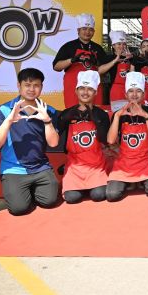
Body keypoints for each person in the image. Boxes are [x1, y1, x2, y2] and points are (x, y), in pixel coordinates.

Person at [0, 68, 60, 215]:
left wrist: (47, 121)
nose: (31, 89)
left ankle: (32, 190)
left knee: (49, 201)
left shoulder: (48, 110)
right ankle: (23, 192)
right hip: (13, 169)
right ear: (19, 85)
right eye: (27, 85)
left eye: (36, 85)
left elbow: (54, 143)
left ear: (41, 87)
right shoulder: (5, 109)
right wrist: (9, 120)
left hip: (41, 167)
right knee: (19, 209)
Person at [106, 72, 148, 201]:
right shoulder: (119, 114)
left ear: (144, 94)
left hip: (146, 162)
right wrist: (117, 117)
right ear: (125, 94)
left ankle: (138, 181)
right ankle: (131, 181)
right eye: (131, 91)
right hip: (124, 162)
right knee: (112, 195)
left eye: (138, 91)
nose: (134, 94)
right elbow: (110, 140)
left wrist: (146, 116)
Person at [57, 71, 110, 204]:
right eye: (82, 88)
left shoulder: (101, 114)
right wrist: (64, 119)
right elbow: (55, 139)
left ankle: (95, 183)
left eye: (90, 89)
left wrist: (95, 119)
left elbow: (105, 140)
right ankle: (68, 173)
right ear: (76, 91)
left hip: (96, 164)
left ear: (96, 92)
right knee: (72, 198)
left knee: (98, 195)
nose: (85, 92)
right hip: (75, 165)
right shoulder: (67, 114)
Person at [52, 14, 109, 107]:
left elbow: (104, 69)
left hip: (93, 88)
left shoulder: (98, 48)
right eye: (84, 29)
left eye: (90, 29)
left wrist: (96, 63)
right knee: (73, 112)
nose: (87, 32)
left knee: (95, 112)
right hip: (73, 87)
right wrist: (72, 60)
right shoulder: (69, 46)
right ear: (78, 30)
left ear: (94, 32)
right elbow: (56, 67)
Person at [99, 30, 133, 112]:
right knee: (117, 114)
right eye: (119, 44)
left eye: (124, 44)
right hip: (116, 92)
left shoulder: (131, 58)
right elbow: (100, 71)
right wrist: (115, 60)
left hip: (131, 91)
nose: (122, 46)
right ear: (113, 45)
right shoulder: (109, 58)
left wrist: (133, 60)